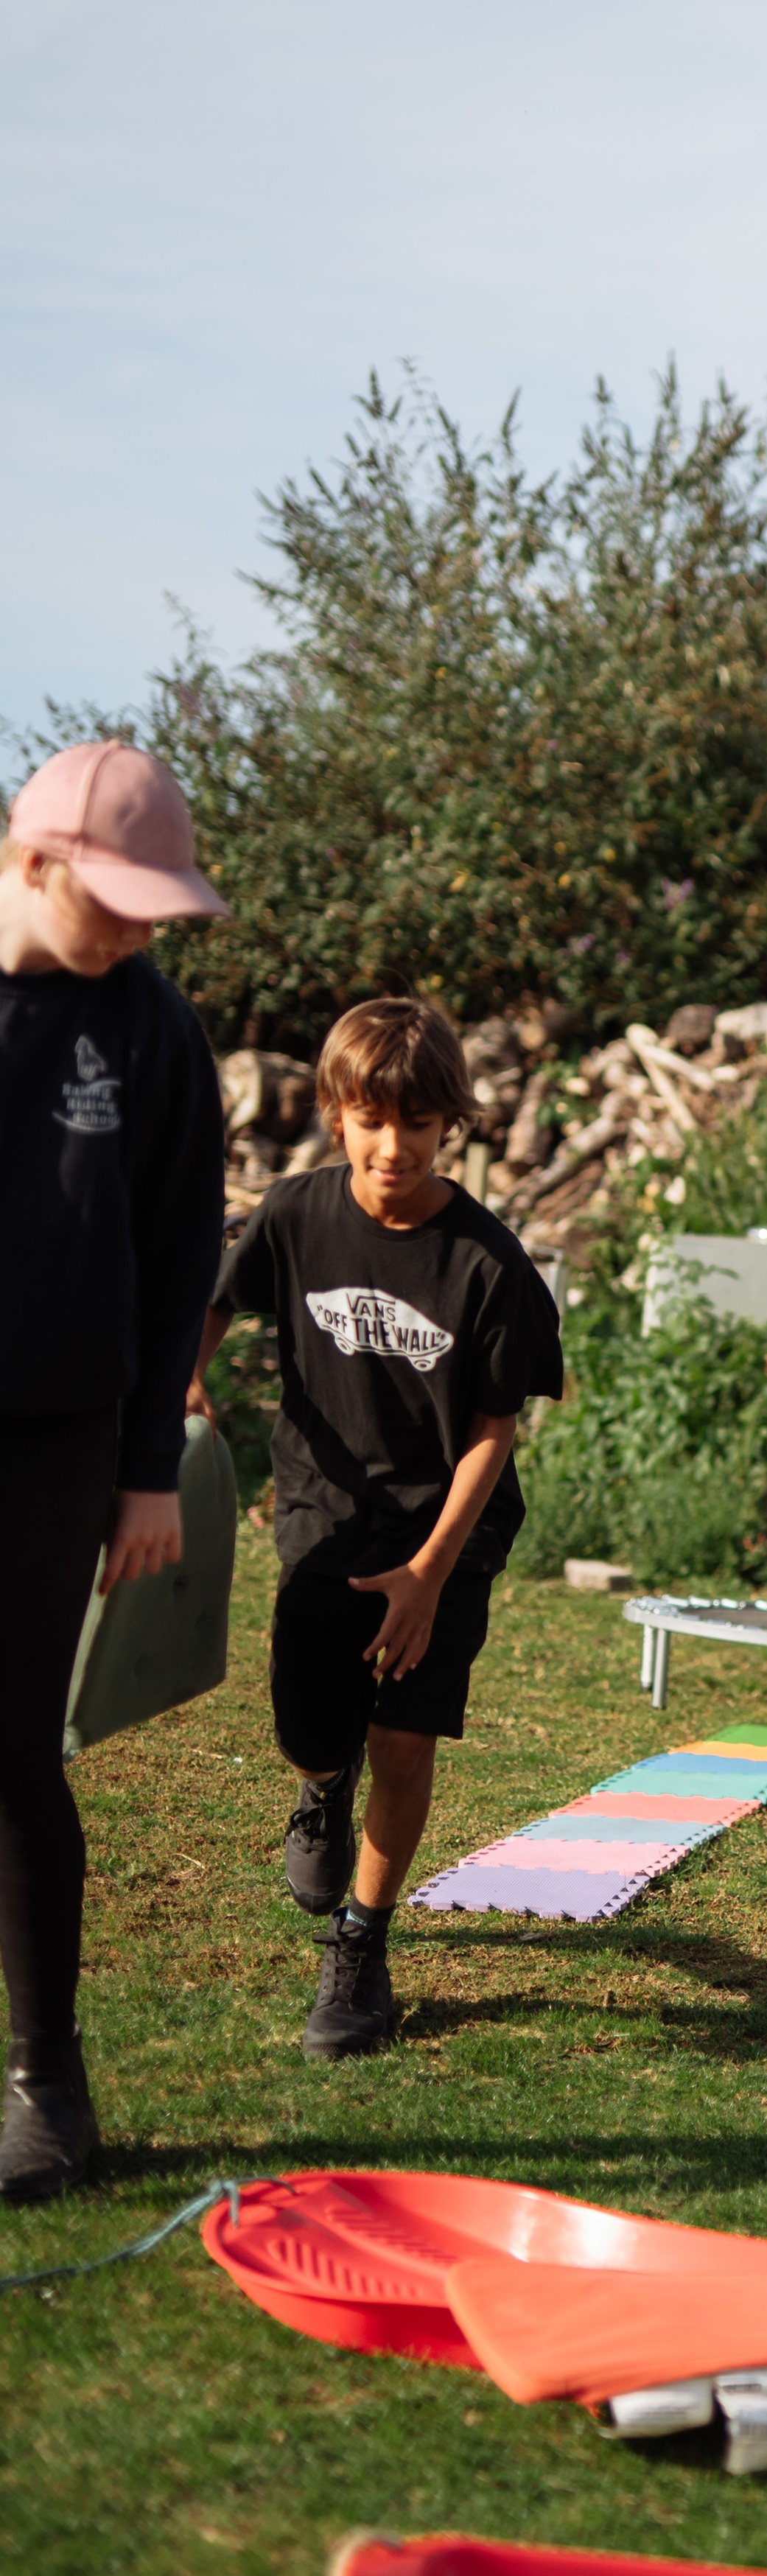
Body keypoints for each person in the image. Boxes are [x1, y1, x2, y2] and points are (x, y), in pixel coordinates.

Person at [192, 999, 563, 2063]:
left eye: (414, 1125)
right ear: (334, 1114)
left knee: (403, 1736)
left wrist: (428, 1575)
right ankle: (318, 1788)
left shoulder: (489, 1265)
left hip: (446, 1530)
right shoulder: (296, 1213)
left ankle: (361, 1943)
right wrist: (188, 1381)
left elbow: (496, 1436)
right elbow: (216, 1296)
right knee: (311, 1724)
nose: (390, 1147)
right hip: (324, 1515)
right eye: (368, 1119)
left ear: (449, 1124)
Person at [0, 741, 228, 2202]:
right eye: (120, 901)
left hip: (55, 1444)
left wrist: (151, 1470)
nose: (141, 930)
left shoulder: (151, 1035)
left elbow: (177, 1265)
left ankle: (48, 2091)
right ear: (35, 863)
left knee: (13, 1750)